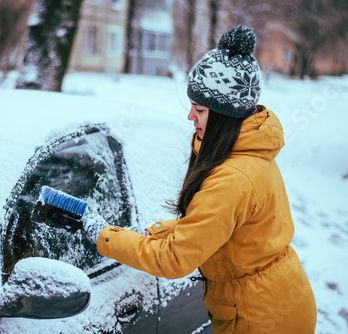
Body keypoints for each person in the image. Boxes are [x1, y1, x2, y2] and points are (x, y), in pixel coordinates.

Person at [83, 25, 317, 333]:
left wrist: (104, 236)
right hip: (280, 295)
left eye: (200, 109)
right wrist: (154, 231)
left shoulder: (233, 177)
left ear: (224, 115)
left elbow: (173, 260)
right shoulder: (251, 152)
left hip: (259, 318)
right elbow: (219, 226)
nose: (190, 117)